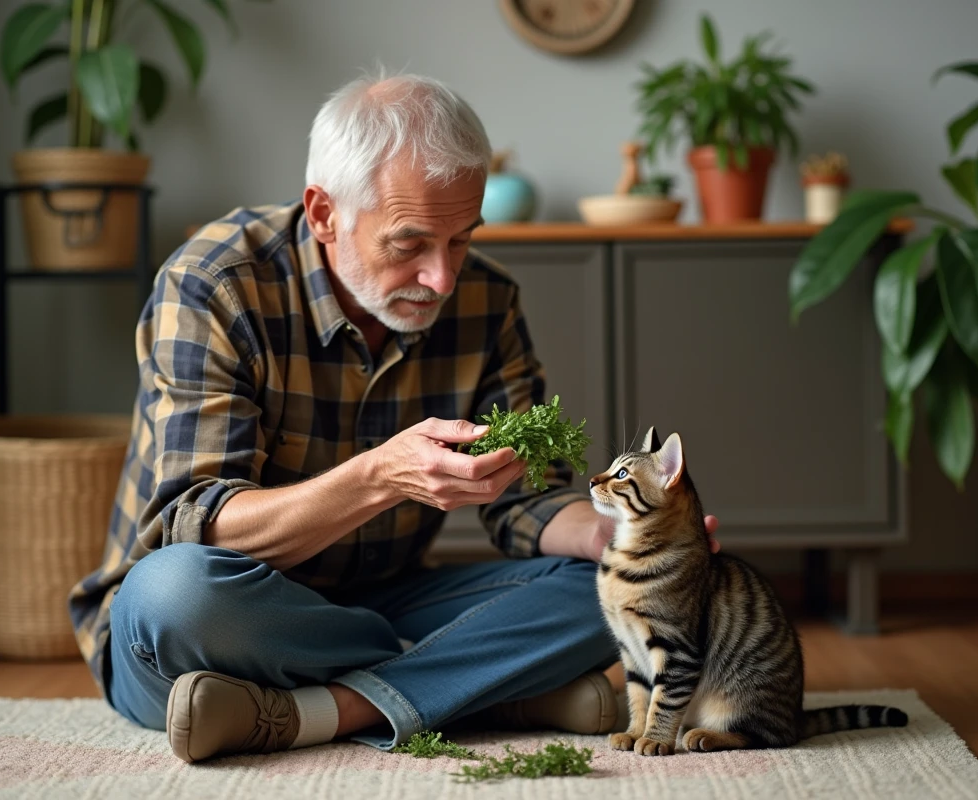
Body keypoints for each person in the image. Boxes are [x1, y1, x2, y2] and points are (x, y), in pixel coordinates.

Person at [69, 70, 719, 764]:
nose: (442, 278)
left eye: (462, 239)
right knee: (174, 594)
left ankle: (319, 710)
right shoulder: (213, 286)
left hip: (390, 601)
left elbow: (529, 504)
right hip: (219, 617)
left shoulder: (487, 300)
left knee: (610, 591)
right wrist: (381, 476)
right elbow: (198, 523)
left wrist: (613, 537)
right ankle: (487, 685)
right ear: (324, 214)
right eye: (409, 243)